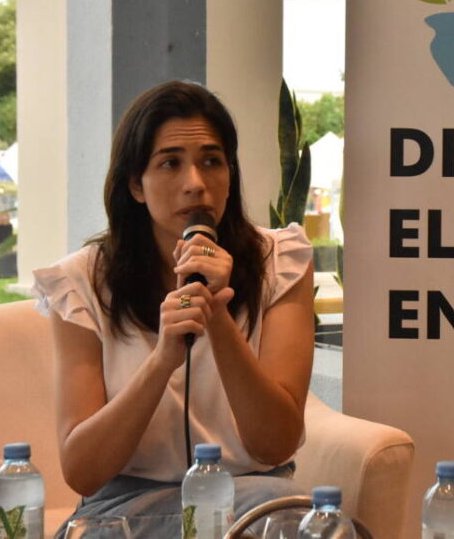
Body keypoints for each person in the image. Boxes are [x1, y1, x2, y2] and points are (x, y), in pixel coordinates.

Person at [32, 80, 315, 536]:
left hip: (255, 505)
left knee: (293, 519)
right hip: (124, 512)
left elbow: (275, 443)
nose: (195, 184)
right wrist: (163, 358)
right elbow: (83, 471)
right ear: (135, 185)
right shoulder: (80, 282)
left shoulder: (280, 262)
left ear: (230, 176)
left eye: (212, 161)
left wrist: (217, 315)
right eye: (170, 163)